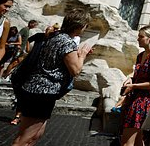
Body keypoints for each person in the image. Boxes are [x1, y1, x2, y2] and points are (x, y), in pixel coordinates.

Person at [11, 10, 92, 146]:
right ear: (80, 26)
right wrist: (82, 54)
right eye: (86, 25)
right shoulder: (67, 42)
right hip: (43, 92)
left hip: (34, 88)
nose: (85, 29)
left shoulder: (55, 37)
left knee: (36, 134)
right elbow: (75, 70)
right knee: (24, 138)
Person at [120, 25, 150, 146]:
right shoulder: (141, 56)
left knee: (126, 143)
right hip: (136, 99)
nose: (138, 39)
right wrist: (130, 79)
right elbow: (139, 76)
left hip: (144, 102)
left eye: (141, 36)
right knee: (139, 142)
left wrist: (134, 86)